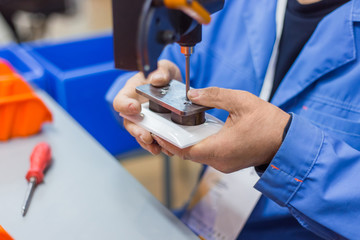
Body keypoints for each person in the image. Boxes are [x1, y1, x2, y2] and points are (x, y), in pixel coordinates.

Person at [108, 0, 360, 239]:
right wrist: (149, 92)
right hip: (205, 219)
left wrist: (282, 148)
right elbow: (155, 71)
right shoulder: (230, 7)